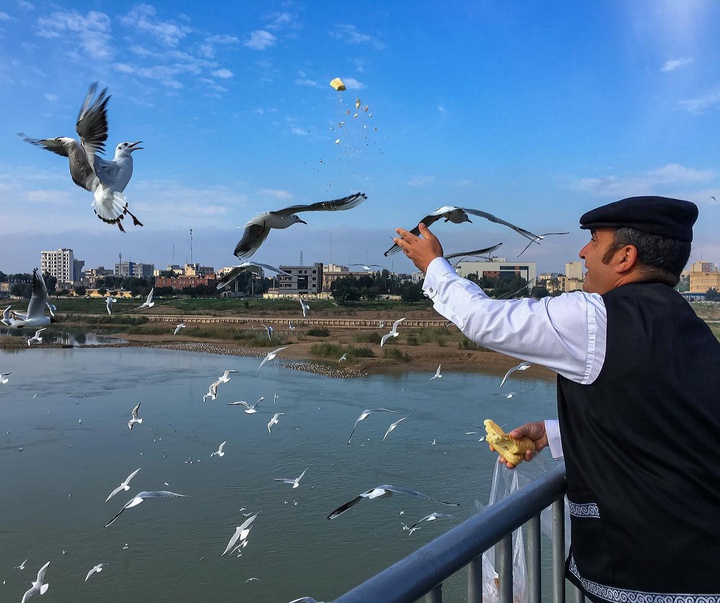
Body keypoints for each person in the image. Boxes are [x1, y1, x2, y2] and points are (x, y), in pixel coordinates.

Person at [394, 196, 720, 603]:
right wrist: (556, 432)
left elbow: (485, 320)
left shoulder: (596, 316)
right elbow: (662, 419)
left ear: (625, 256)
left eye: (594, 241)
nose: (582, 252)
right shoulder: (688, 324)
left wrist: (434, 265)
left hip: (647, 573)